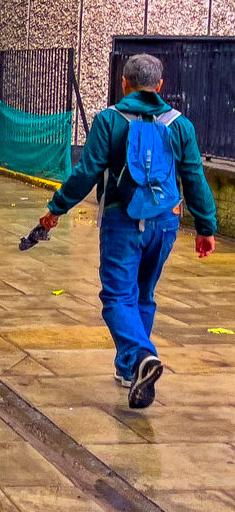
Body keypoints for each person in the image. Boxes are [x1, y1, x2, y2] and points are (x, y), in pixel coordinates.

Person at [33, 53, 217, 409]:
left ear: (124, 83)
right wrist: (206, 227)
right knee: (144, 295)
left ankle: (141, 355)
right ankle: (128, 369)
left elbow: (86, 173)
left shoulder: (109, 120)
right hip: (165, 223)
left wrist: (56, 209)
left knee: (117, 297)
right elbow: (194, 178)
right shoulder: (180, 125)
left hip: (121, 221)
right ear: (160, 86)